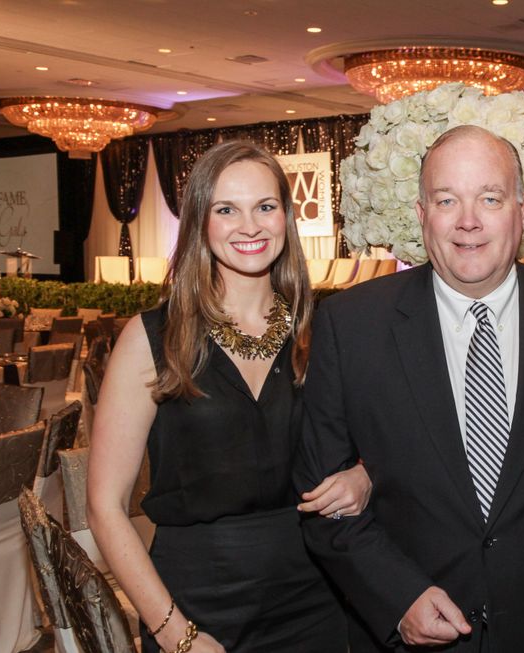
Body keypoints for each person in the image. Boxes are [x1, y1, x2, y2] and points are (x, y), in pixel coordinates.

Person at [294, 124, 524, 652]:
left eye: (490, 198)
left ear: (522, 212)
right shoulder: (350, 324)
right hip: (411, 636)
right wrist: (397, 595)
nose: (468, 221)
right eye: (446, 199)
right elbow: (321, 500)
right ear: (421, 213)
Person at [87, 140, 371, 653]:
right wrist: (175, 633)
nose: (250, 225)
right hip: (191, 604)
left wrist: (364, 474)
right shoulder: (153, 337)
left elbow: (389, 440)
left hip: (318, 596)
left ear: (286, 217)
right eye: (226, 209)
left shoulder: (326, 331)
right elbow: (104, 507)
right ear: (200, 221)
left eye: (265, 206)